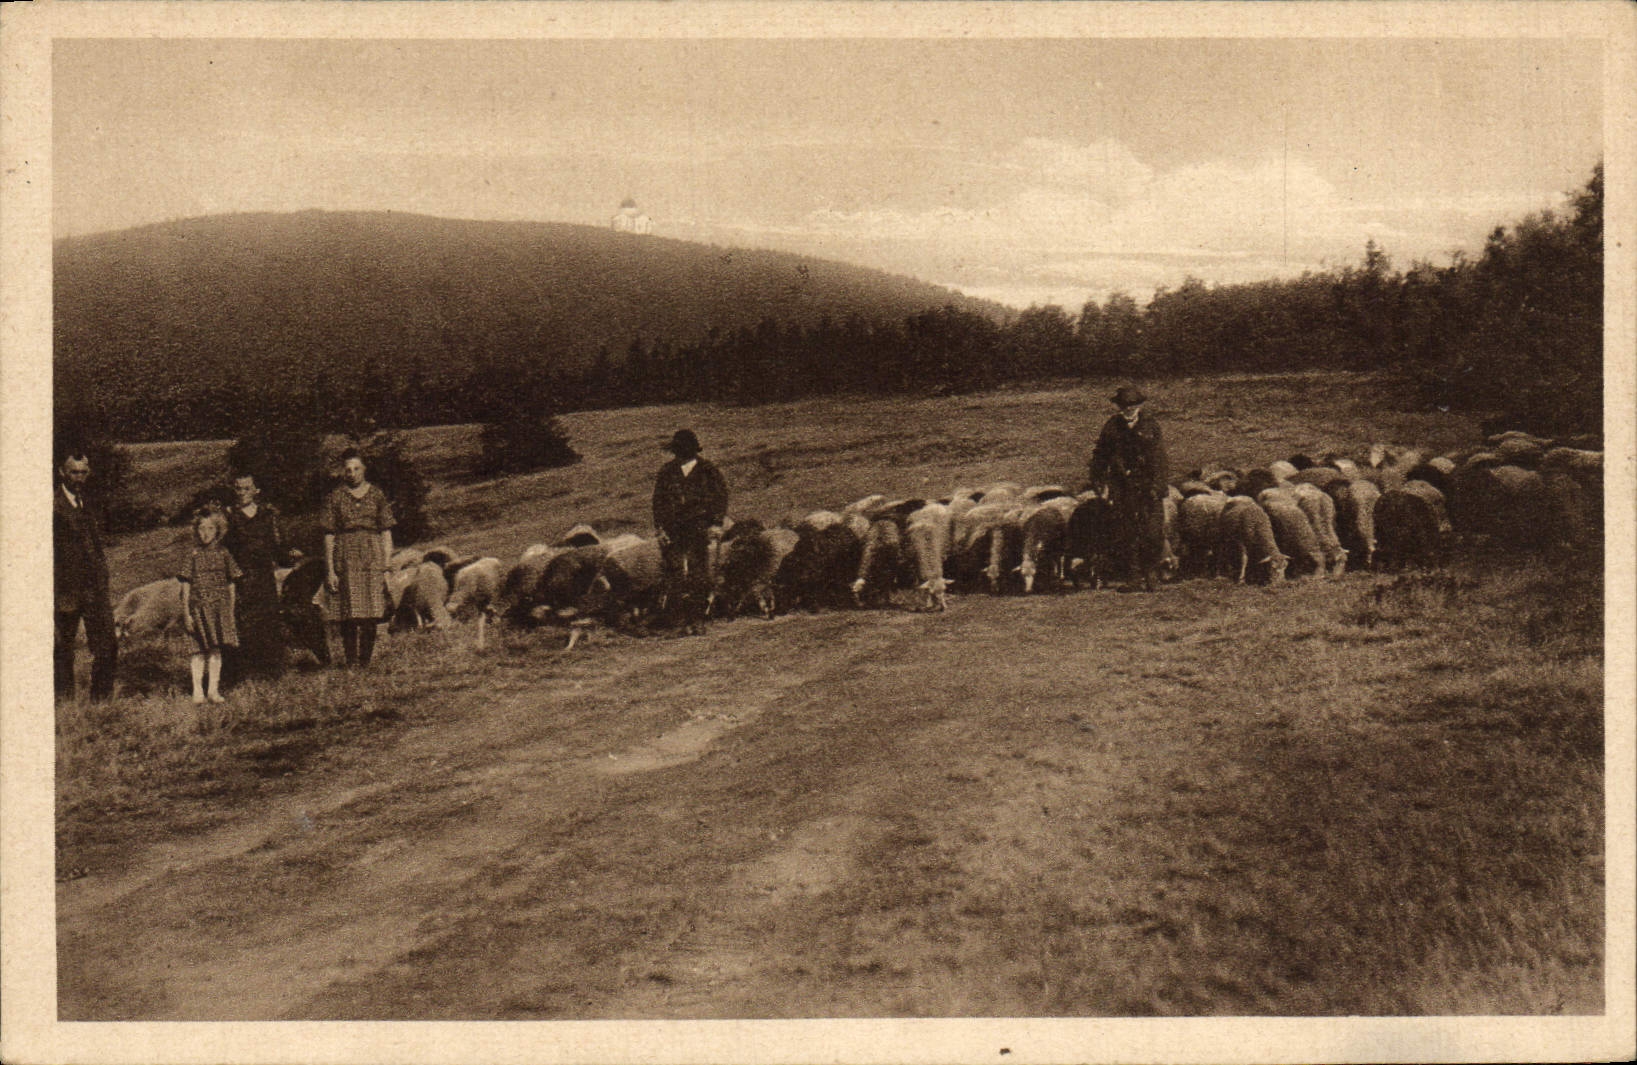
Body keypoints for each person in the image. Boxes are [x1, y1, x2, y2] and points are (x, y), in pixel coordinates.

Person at [1088, 385, 1170, 592]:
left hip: (1148, 487)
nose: (1128, 409)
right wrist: (1099, 482)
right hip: (1123, 488)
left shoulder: (1151, 426)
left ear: (1139, 405)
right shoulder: (1112, 427)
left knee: (1152, 532)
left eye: (1132, 405)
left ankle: (1151, 574)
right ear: (1118, 406)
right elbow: (1100, 456)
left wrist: (1158, 487)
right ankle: (1133, 577)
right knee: (1128, 532)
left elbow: (1160, 459)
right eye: (1124, 406)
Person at [53, 450, 118, 701]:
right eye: (73, 472)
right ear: (62, 472)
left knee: (107, 645)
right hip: (65, 592)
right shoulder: (52, 506)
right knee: (62, 649)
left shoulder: (89, 502)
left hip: (95, 590)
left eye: (83, 472)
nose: (79, 478)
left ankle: (101, 701)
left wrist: (102, 578)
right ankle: (63, 703)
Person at [322, 449, 395, 667]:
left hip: (372, 554)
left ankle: (365, 661)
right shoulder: (335, 497)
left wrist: (386, 564)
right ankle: (351, 661)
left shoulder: (377, 495)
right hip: (345, 555)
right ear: (342, 472)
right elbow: (328, 535)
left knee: (371, 610)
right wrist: (331, 570)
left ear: (364, 469)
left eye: (356, 468)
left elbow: (386, 532)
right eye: (348, 469)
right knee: (349, 611)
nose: (352, 473)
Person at [652, 429, 728, 635]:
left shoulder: (708, 470)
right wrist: (660, 529)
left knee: (698, 573)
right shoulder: (667, 471)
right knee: (674, 573)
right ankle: (677, 621)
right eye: (677, 450)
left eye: (685, 449)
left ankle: (697, 619)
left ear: (694, 449)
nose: (681, 453)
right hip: (672, 529)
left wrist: (716, 523)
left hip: (698, 528)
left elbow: (720, 498)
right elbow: (658, 502)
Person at [222, 472, 285, 685]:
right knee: (242, 622)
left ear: (256, 490)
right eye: (238, 489)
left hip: (264, 576)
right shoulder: (228, 516)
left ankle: (270, 671)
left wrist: (288, 555)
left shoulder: (268, 515)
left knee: (267, 621)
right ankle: (242, 674)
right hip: (240, 577)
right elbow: (224, 549)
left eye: (247, 488)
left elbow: (278, 545)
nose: (242, 493)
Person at [179, 510, 242, 704]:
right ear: (196, 531)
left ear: (218, 531)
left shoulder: (224, 553)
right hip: (197, 608)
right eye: (201, 528)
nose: (205, 533)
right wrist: (186, 613)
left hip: (219, 609)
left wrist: (230, 611)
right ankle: (197, 691)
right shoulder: (193, 554)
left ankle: (213, 690)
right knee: (197, 650)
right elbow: (185, 585)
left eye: (210, 528)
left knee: (215, 649)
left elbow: (232, 582)